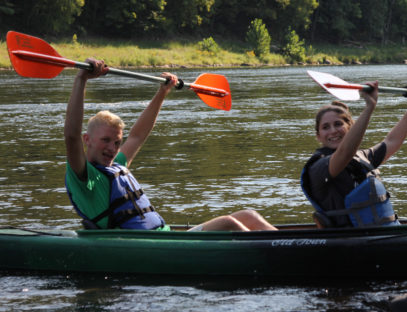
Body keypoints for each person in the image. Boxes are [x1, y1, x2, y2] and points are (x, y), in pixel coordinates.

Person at [64, 58, 277, 231]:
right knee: (228, 224)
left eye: (117, 142)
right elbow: (71, 136)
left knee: (249, 215)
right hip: (146, 247)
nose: (112, 148)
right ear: (87, 140)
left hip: (165, 236)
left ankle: (288, 246)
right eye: (106, 140)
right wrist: (81, 79)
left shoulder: (116, 165)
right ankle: (273, 257)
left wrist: (162, 93)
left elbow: (137, 136)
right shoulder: (85, 175)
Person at [301, 81, 407, 228]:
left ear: (349, 127)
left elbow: (392, 141)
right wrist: (369, 107)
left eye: (338, 124)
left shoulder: (361, 157)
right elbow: (344, 153)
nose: (333, 131)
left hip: (388, 231)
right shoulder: (319, 167)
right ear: (318, 136)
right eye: (325, 127)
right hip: (359, 240)